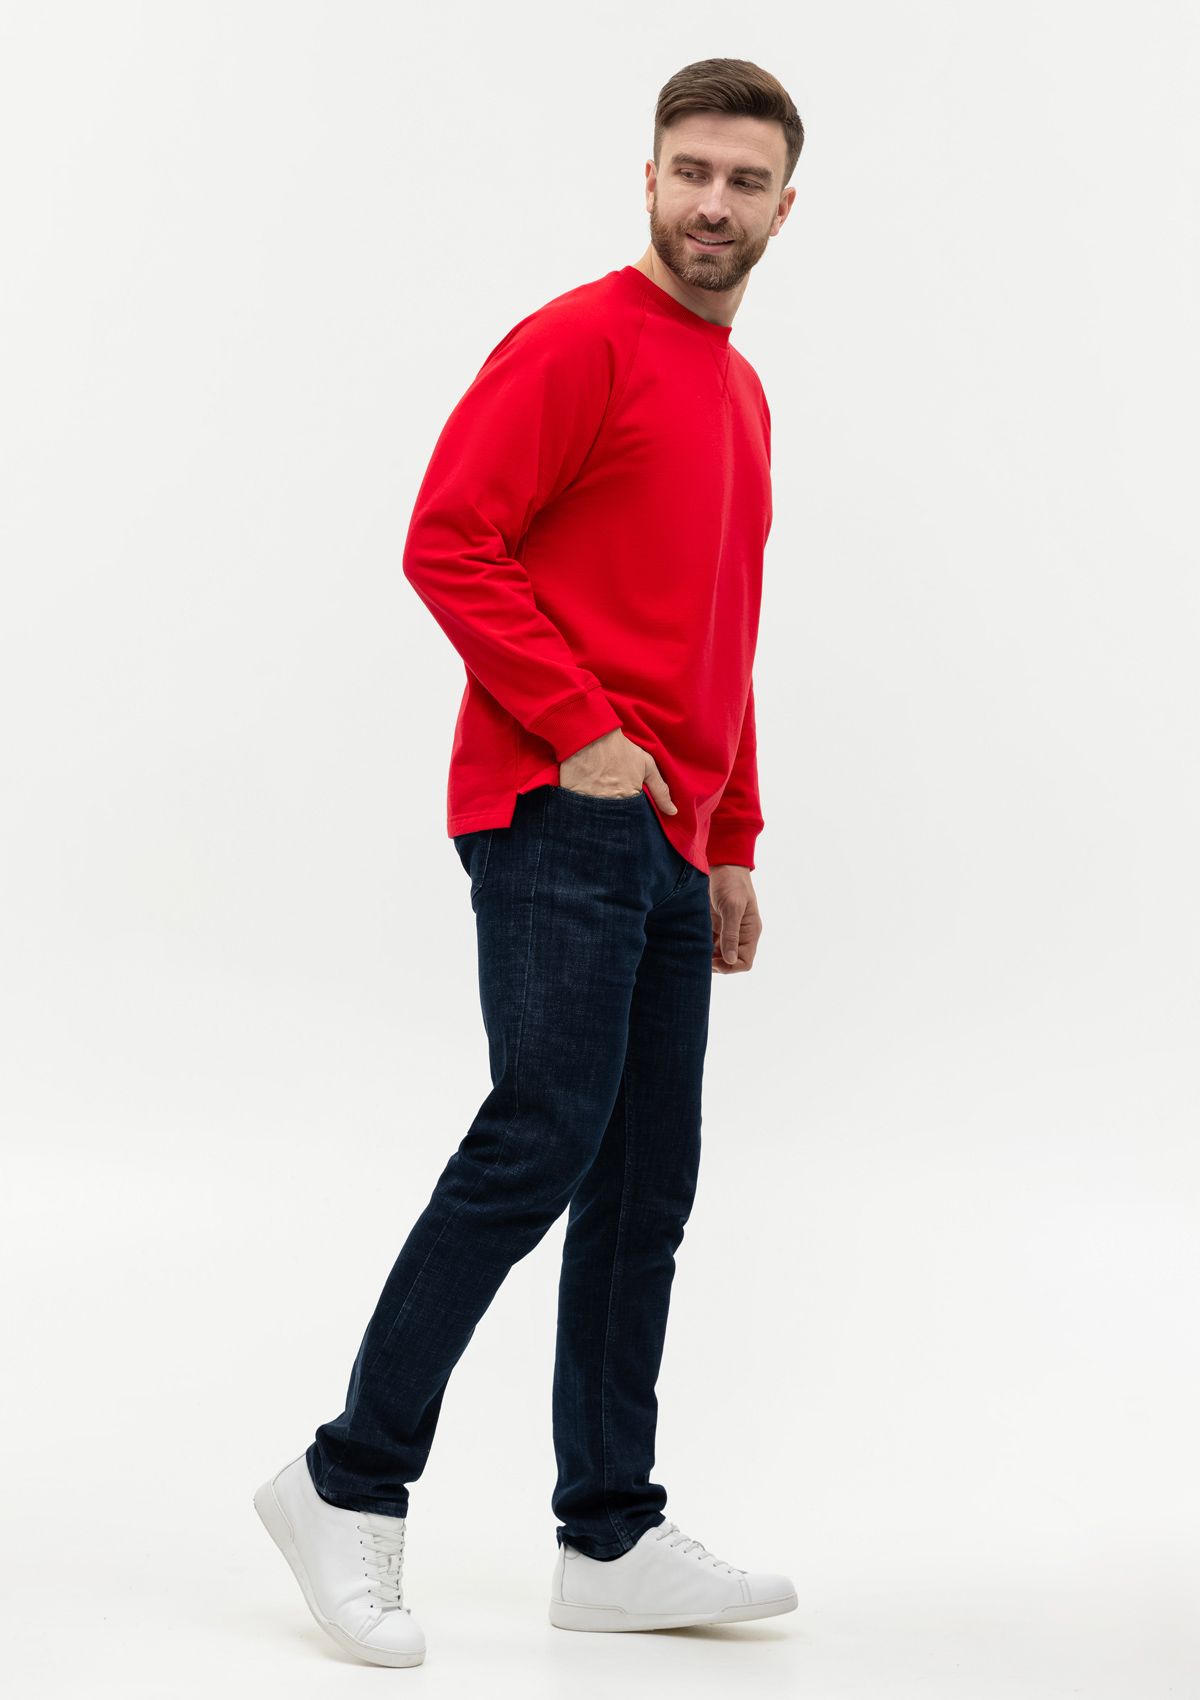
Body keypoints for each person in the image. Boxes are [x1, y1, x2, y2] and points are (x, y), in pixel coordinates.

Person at [255, 57, 803, 1668]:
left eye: (745, 180)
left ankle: (610, 1532)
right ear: (649, 178)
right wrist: (581, 730)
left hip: (669, 834)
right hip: (558, 804)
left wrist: (732, 838)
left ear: (787, 207)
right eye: (691, 171)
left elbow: (721, 636)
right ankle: (346, 1480)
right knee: (543, 1134)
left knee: (645, 1187)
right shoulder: (578, 343)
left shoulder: (742, 395)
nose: (714, 203)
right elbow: (449, 538)